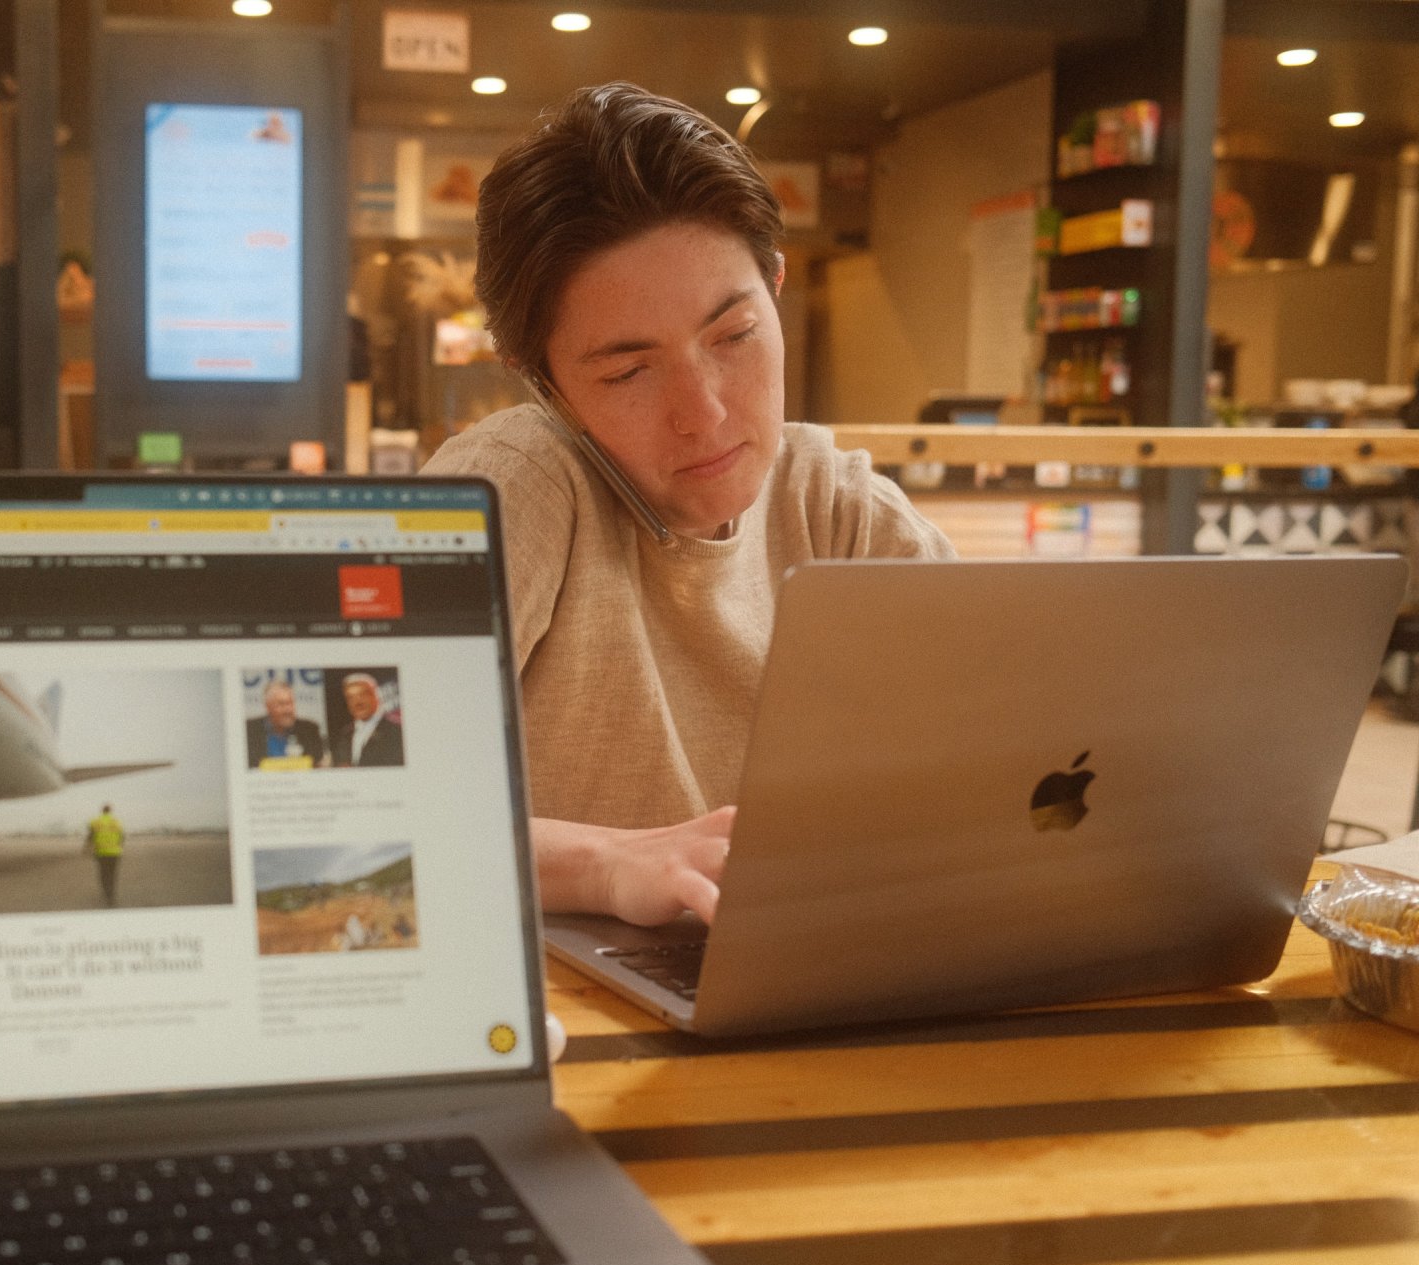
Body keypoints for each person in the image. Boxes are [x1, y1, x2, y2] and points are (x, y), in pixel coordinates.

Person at [422, 82, 954, 928]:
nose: (703, 412)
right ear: (542, 378)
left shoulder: (830, 502)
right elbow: (337, 805)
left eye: (733, 336)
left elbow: (1019, 751)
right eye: (629, 371)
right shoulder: (519, 481)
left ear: (775, 287)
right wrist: (604, 865)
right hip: (578, 1021)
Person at [245, 679, 327, 769]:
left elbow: (317, 765)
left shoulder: (309, 729)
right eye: (282, 704)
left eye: (290, 703)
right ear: (268, 706)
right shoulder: (250, 730)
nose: (288, 710)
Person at [331, 672, 404, 767]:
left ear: (376, 696)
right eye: (350, 698)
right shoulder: (345, 733)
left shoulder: (395, 731)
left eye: (363, 694)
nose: (357, 702)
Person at [86, 803, 124, 905]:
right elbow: (122, 837)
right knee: (112, 874)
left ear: (102, 811)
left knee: (103, 874)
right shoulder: (116, 822)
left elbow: (90, 836)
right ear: (110, 811)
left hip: (101, 852)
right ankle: (111, 894)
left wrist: (87, 848)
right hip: (115, 853)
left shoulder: (95, 822)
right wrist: (119, 847)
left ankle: (106, 893)